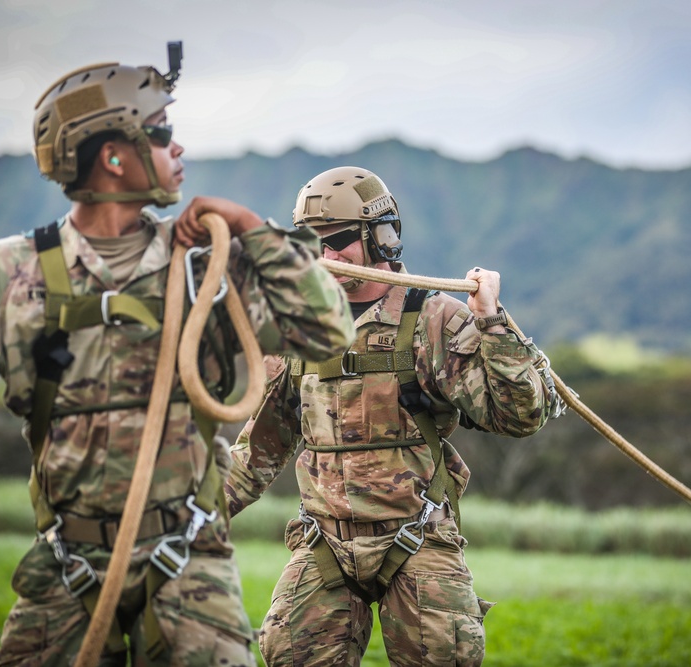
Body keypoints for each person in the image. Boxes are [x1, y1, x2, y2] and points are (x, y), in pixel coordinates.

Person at [0, 45, 355, 666]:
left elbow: (327, 331)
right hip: (66, 567)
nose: (177, 149)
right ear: (112, 157)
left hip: (192, 570)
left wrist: (248, 228)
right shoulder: (12, 274)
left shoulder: (206, 268)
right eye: (161, 135)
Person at [226, 165, 553, 666]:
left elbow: (518, 416)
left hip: (416, 536)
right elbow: (258, 451)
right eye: (313, 243)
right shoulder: (297, 327)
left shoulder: (434, 318)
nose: (326, 257)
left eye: (338, 241)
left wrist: (490, 321)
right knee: (287, 652)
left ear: (379, 237)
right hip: (324, 542)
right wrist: (179, 514)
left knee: (445, 654)